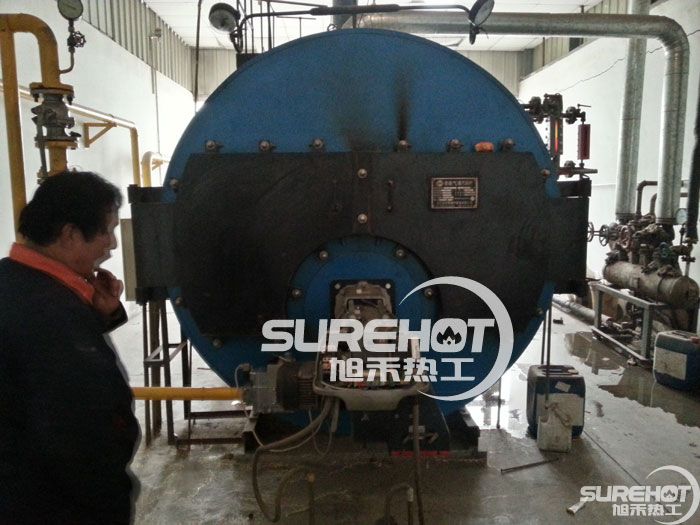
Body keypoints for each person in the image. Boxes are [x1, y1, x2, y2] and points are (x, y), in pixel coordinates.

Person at [0, 171, 139, 524]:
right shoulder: (50, 315)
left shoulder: (13, 281)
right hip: (52, 505)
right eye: (107, 231)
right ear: (70, 234)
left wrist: (98, 314)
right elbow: (82, 437)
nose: (112, 244)